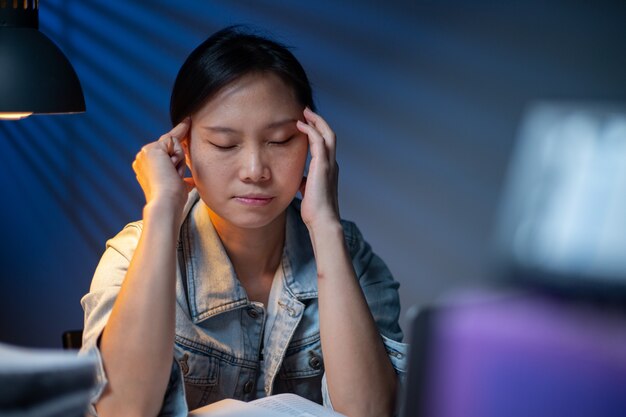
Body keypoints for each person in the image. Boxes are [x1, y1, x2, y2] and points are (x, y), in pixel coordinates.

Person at [80, 25, 407, 417]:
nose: (255, 170)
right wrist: (163, 209)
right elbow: (122, 412)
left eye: (281, 140)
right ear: (184, 147)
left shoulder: (348, 253)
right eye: (224, 144)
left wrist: (325, 224)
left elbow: (371, 411)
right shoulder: (132, 255)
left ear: (313, 143)